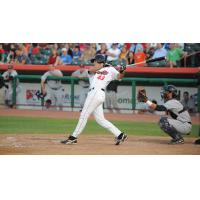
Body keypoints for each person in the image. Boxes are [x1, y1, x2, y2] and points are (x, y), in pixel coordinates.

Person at [61, 54, 127, 145]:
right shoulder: (93, 70)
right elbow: (91, 70)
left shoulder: (111, 70)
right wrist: (104, 66)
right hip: (94, 93)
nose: (93, 63)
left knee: (84, 114)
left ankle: (73, 137)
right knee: (100, 120)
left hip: (97, 93)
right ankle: (120, 134)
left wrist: (122, 70)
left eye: (94, 61)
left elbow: (120, 77)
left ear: (99, 61)